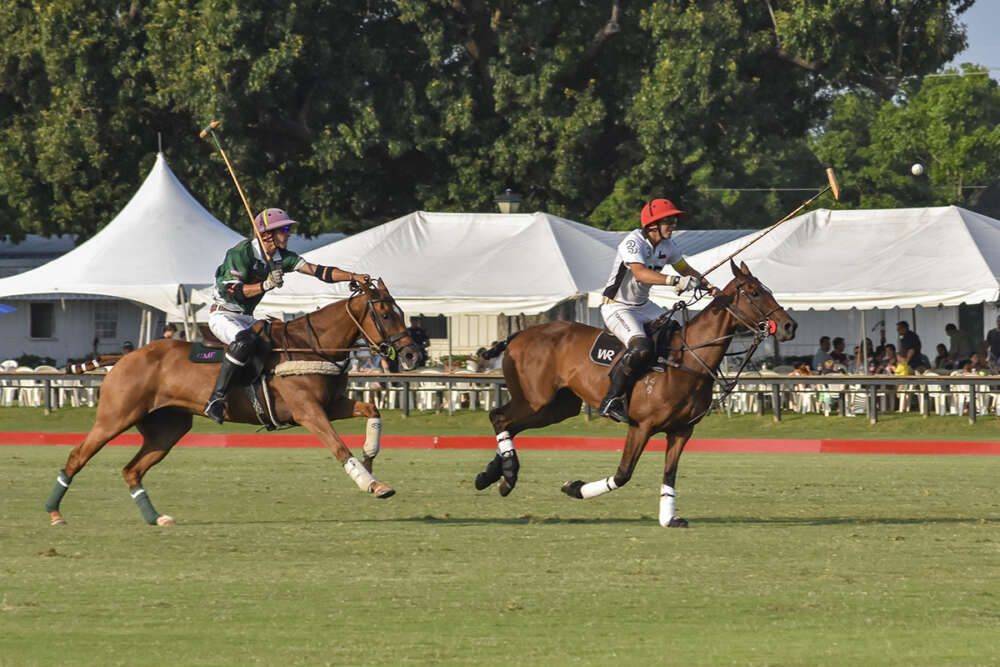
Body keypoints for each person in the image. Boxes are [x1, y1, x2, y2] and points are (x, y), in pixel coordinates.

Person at [203, 207, 370, 424]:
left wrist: (353, 276)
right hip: (223, 314)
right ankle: (216, 400)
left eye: (288, 228)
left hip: (246, 316)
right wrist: (266, 284)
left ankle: (269, 399)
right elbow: (232, 291)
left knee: (278, 336)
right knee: (244, 342)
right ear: (266, 235)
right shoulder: (240, 254)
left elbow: (319, 271)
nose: (289, 233)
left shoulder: (283, 257)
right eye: (284, 229)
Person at [597, 197, 718, 422]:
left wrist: (706, 284)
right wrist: (676, 282)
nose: (673, 225)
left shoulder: (667, 246)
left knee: (677, 334)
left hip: (643, 306)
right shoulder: (633, 243)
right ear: (652, 224)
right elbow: (641, 273)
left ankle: (659, 386)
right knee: (641, 347)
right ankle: (611, 399)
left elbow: (685, 268)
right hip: (617, 307)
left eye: (673, 221)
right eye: (668, 221)